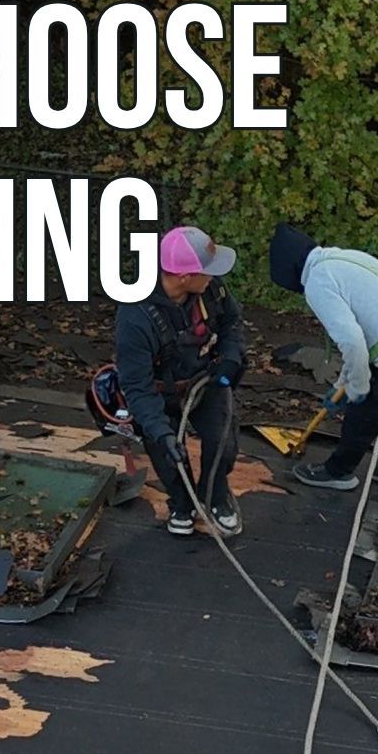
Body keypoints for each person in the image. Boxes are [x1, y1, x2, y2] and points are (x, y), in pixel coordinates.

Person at [268, 224, 378, 494]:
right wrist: (343, 382)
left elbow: (352, 342)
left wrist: (357, 388)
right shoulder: (339, 259)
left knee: (365, 411)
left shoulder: (318, 282)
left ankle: (339, 472)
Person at [104, 227, 247, 537]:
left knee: (224, 444)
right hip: (160, 394)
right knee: (167, 453)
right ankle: (182, 504)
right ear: (184, 277)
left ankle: (216, 497)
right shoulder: (135, 318)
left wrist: (231, 357)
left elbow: (231, 323)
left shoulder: (210, 289)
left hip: (206, 381)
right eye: (207, 271)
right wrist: (161, 431)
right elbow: (137, 387)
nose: (214, 276)